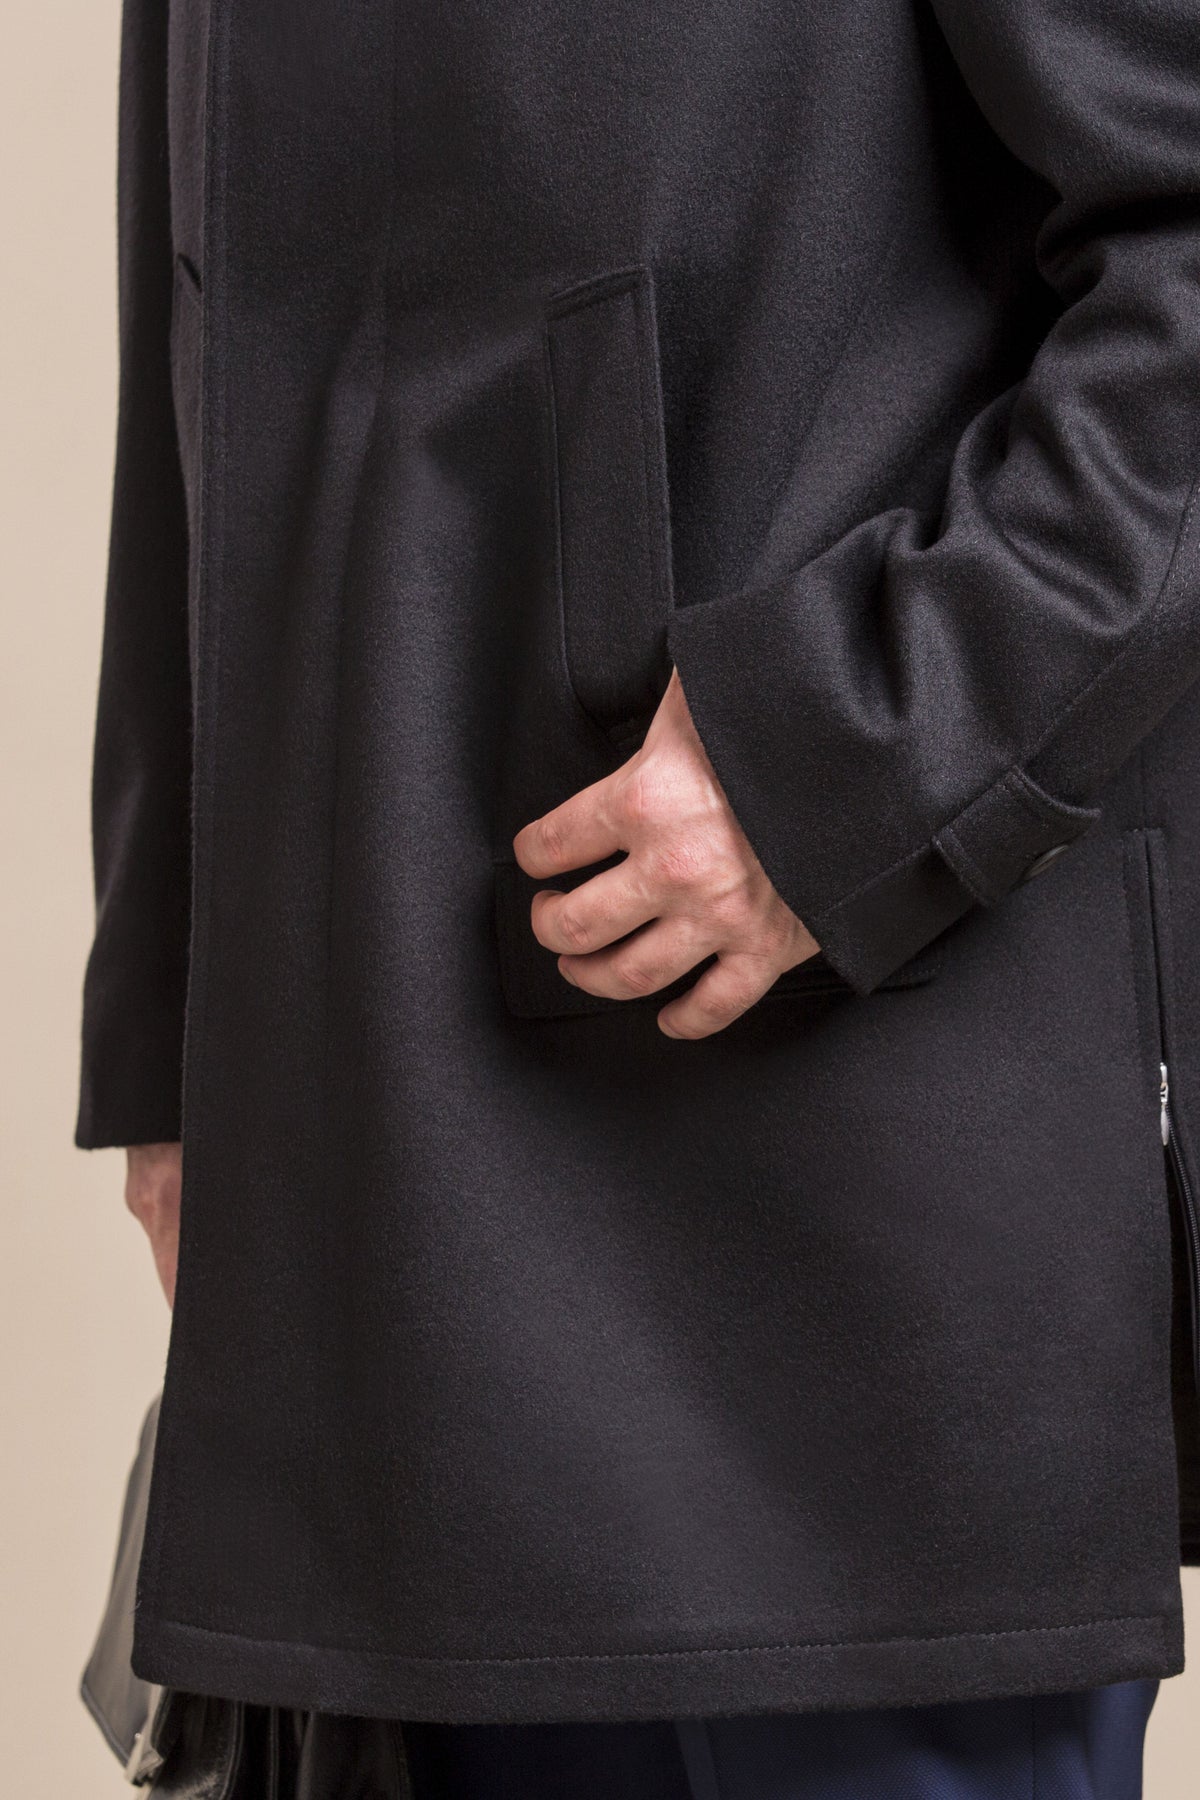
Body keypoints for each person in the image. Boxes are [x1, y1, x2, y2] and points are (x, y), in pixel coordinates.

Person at [78, 0, 1200, 1793]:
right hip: (355, 1242)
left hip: (809, 1278)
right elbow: (202, 313)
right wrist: (173, 1041)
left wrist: (841, 766)